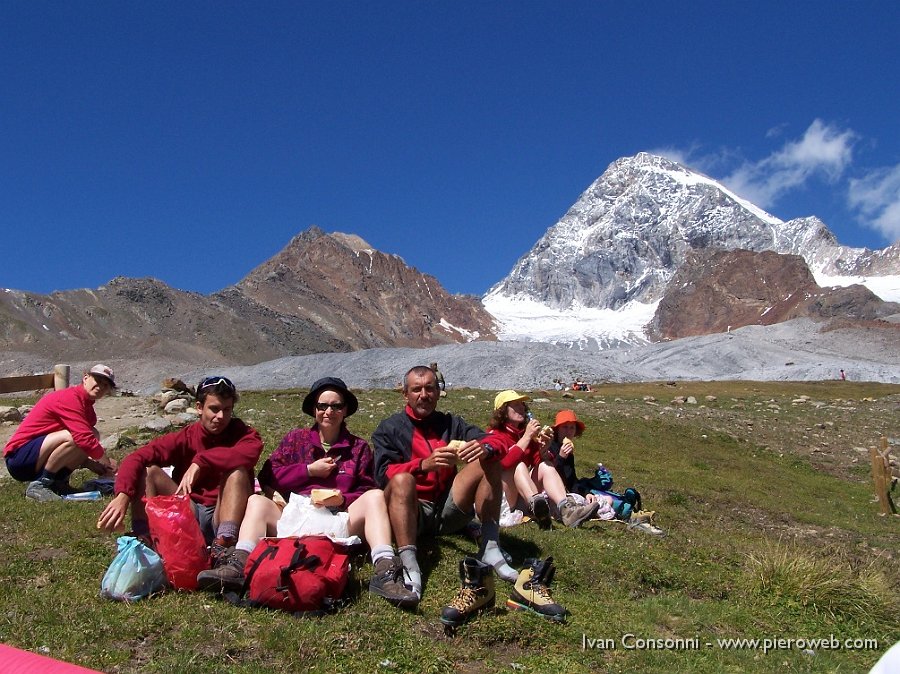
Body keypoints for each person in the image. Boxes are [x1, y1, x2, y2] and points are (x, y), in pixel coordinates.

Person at [196, 377, 418, 608]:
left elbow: (366, 487)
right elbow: (269, 475)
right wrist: (308, 471)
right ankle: (238, 564)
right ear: (314, 409)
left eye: (336, 406)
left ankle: (385, 570)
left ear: (345, 411)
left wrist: (342, 499)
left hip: (338, 518)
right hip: (294, 513)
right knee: (256, 501)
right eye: (322, 406)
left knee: (374, 497)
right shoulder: (295, 440)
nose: (328, 411)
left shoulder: (358, 447)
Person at [372, 365, 517, 624]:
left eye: (430, 388)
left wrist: (485, 448)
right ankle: (409, 562)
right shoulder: (390, 428)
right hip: (412, 512)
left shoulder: (451, 423)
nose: (424, 395)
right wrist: (422, 465)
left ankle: (490, 546)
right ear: (405, 394)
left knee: (489, 459)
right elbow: (381, 474)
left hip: (448, 509)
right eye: (416, 389)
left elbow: (498, 441)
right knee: (402, 479)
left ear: (439, 393)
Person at [96, 376, 263, 568]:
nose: (221, 417)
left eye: (227, 410)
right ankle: (146, 539)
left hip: (222, 511)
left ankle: (224, 545)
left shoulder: (242, 433)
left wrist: (201, 461)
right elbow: (138, 457)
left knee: (237, 472)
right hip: (188, 511)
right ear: (200, 408)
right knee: (149, 472)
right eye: (214, 409)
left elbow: (249, 453)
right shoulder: (186, 437)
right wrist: (123, 495)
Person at [4, 364, 119, 502]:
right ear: (86, 378)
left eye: (105, 385)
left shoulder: (86, 407)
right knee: (78, 436)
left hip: (37, 455)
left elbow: (78, 444)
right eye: (98, 381)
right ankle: (41, 484)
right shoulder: (69, 397)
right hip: (19, 457)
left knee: (91, 433)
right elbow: (82, 438)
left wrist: (90, 464)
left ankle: (58, 483)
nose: (100, 387)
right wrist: (107, 465)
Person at [486, 392, 598, 529]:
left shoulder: (523, 434)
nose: (521, 408)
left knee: (545, 465)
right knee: (519, 465)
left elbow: (540, 462)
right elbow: (505, 463)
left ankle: (566, 510)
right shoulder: (494, 434)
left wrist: (544, 450)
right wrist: (527, 437)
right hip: (500, 498)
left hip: (521, 497)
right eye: (515, 405)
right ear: (502, 411)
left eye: (522, 404)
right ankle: (538, 506)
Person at [545, 409, 585, 493]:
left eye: (572, 428)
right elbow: (550, 476)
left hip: (566, 491)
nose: (568, 431)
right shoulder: (549, 446)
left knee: (608, 499)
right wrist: (561, 457)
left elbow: (571, 479)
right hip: (551, 492)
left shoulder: (569, 452)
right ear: (557, 429)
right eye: (565, 427)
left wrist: (586, 494)